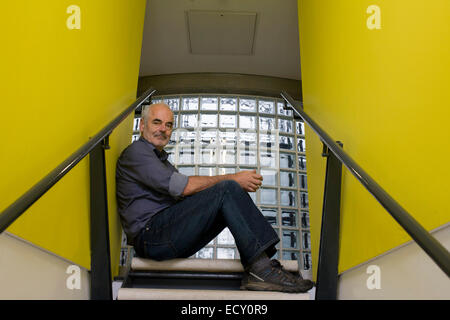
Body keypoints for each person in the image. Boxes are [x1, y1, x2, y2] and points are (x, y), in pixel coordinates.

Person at [116, 102, 314, 293]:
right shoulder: (137, 153)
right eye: (157, 122)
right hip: (151, 237)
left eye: (168, 125)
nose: (163, 129)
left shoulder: (161, 161)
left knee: (229, 195)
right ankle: (261, 269)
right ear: (142, 126)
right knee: (227, 189)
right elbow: (183, 188)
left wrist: (229, 193)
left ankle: (261, 264)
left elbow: (185, 198)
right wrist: (233, 180)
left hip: (164, 236)